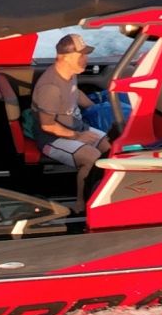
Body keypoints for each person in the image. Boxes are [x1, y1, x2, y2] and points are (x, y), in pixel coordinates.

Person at [31, 33, 109, 203]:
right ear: (65, 57)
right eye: (81, 55)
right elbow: (47, 126)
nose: (86, 59)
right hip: (52, 139)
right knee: (92, 158)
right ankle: (82, 205)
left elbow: (75, 93)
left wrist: (96, 108)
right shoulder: (50, 87)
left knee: (111, 149)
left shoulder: (70, 73)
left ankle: (104, 194)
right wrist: (78, 136)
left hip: (77, 127)